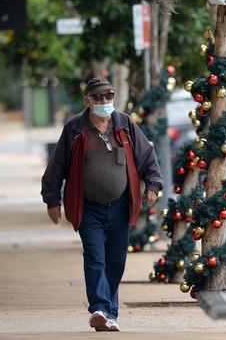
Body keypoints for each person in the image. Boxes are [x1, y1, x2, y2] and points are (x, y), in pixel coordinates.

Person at [41, 78, 163, 332]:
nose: (104, 101)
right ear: (88, 100)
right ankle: (100, 308)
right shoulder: (75, 128)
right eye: (98, 97)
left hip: (120, 206)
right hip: (88, 208)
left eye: (108, 96)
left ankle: (110, 313)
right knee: (95, 257)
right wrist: (52, 199)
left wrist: (153, 184)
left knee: (116, 261)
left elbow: (146, 156)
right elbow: (56, 166)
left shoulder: (124, 124)